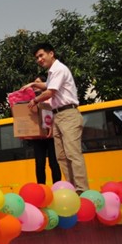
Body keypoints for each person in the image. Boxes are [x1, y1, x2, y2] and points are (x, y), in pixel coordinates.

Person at [24, 43, 88, 193]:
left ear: (51, 53)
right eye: (37, 57)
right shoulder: (52, 72)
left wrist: (34, 100)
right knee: (61, 157)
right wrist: (33, 84)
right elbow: (47, 85)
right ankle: (73, 189)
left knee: (73, 154)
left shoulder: (59, 69)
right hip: (58, 116)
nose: (39, 59)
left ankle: (82, 190)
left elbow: (50, 92)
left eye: (41, 55)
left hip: (68, 114)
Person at [25, 76, 62, 185]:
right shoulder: (30, 100)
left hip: (51, 136)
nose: (35, 85)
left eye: (38, 82)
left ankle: (57, 186)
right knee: (40, 164)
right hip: (38, 137)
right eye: (34, 83)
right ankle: (41, 187)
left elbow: (55, 114)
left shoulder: (51, 97)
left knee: (53, 163)